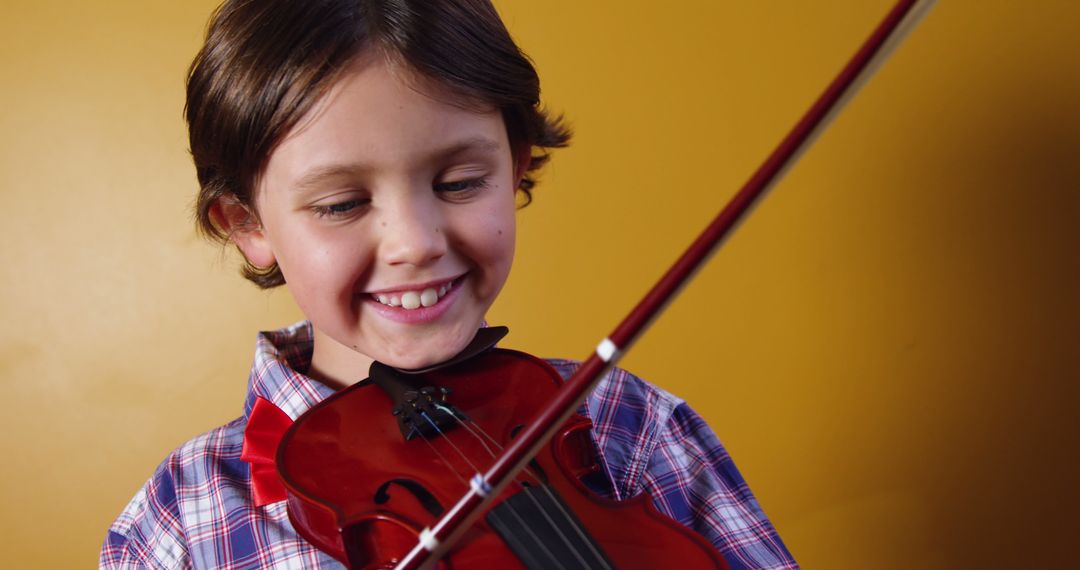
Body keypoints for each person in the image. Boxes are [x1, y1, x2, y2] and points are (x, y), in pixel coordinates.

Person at [100, 1, 797, 568]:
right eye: (342, 204)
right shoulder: (179, 524)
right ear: (248, 223)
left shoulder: (628, 429)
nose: (416, 243)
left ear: (516, 165)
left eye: (461, 183)